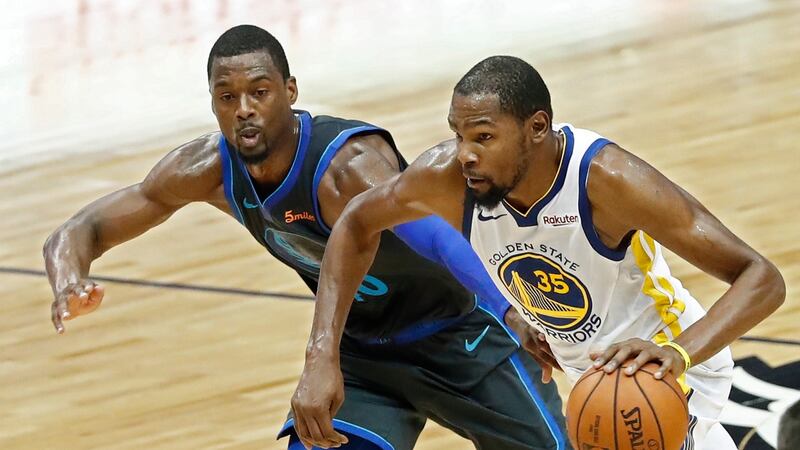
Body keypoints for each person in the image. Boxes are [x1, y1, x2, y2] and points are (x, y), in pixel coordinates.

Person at [44, 27, 571, 450]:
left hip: (461, 335)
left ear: (290, 92)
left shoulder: (347, 168)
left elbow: (437, 238)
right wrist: (70, 278)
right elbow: (79, 230)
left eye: (259, 92)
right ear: (212, 103)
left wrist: (508, 309)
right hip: (364, 354)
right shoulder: (207, 169)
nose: (243, 108)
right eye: (227, 97)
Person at [299, 55, 786, 449]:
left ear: (537, 127)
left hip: (670, 370)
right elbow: (355, 223)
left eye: (484, 136)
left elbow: (762, 278)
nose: (466, 152)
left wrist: (674, 354)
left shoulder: (607, 181)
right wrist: (322, 355)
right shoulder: (448, 178)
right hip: (595, 379)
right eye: (458, 134)